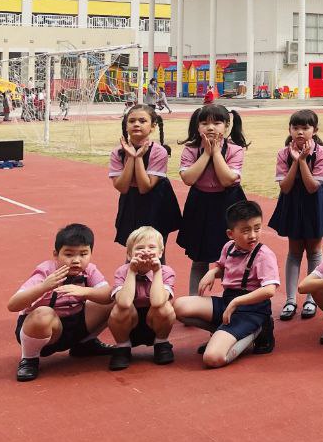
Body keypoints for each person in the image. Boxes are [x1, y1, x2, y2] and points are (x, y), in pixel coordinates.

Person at [173, 199, 279, 368]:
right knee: (179, 307)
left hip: (251, 311)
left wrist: (237, 302)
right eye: (245, 230)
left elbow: (269, 290)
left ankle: (257, 330)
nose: (253, 235)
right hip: (227, 302)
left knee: (213, 358)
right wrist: (212, 272)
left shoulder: (264, 255)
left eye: (257, 228)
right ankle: (221, 332)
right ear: (231, 234)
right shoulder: (229, 247)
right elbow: (223, 267)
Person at [8, 223, 114, 382]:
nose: (76, 260)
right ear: (56, 254)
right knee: (43, 313)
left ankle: (84, 345)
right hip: (46, 330)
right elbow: (13, 305)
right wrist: (44, 287)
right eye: (69, 254)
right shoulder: (45, 272)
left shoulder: (89, 270)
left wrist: (85, 292)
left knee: (117, 299)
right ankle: (29, 359)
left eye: (83, 254)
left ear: (91, 253)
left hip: (75, 322)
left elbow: (108, 295)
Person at [270, 109, 323, 322]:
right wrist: (296, 161)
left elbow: (312, 187)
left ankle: (311, 298)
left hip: (315, 202)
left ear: (314, 130)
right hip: (292, 201)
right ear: (289, 129)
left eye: (305, 128)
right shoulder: (283, 153)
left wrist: (303, 161)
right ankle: (290, 300)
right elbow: (285, 187)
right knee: (294, 250)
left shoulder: (322, 153)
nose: (300, 132)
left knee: (314, 250)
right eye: (295, 127)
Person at [176, 105, 248, 295]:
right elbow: (188, 179)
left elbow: (227, 180)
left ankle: (230, 299)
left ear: (227, 125)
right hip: (200, 205)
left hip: (228, 205)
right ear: (197, 126)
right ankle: (193, 301)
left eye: (217, 123)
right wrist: (206, 153)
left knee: (231, 256)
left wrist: (216, 153)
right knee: (199, 258)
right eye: (204, 123)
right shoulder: (191, 149)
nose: (210, 127)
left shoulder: (234, 149)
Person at [110, 104, 181, 250]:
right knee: (133, 247)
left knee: (154, 248)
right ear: (126, 125)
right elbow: (122, 187)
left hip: (156, 202)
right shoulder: (117, 152)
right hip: (131, 201)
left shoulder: (159, 152)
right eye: (132, 121)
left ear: (153, 126)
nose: (136, 124)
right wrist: (131, 157)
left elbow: (144, 187)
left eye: (142, 121)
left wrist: (138, 157)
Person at [106, 226, 177, 370]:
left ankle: (161, 343)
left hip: (154, 322)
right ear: (129, 254)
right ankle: (123, 347)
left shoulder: (166, 272)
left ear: (160, 252)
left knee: (165, 308)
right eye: (139, 248)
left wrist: (157, 272)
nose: (146, 251)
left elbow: (157, 302)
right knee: (119, 309)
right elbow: (124, 303)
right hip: (129, 324)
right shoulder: (122, 271)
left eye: (152, 247)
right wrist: (132, 271)